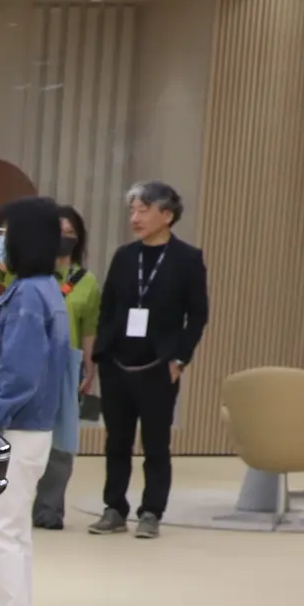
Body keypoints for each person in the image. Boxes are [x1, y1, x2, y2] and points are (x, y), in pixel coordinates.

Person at [0, 197, 73, 606]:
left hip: (12, 428)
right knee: (11, 531)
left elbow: (18, 372)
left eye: (4, 233)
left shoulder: (29, 295)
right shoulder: (46, 289)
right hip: (33, 430)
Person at [88, 181, 208, 538]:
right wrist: (102, 353)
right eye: (132, 210)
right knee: (116, 441)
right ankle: (114, 508)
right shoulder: (125, 256)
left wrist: (180, 359)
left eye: (143, 210)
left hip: (159, 366)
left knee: (156, 443)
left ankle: (151, 511)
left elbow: (197, 315)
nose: (135, 218)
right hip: (117, 365)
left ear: (167, 215)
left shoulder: (187, 259)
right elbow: (108, 307)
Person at [32, 206, 101, 530]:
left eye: (70, 232)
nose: (64, 238)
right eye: (58, 231)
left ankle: (49, 510)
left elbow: (89, 329)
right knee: (24, 438)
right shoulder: (29, 274)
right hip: (30, 362)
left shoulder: (87, 282)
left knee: (61, 444)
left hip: (67, 366)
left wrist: (90, 368)